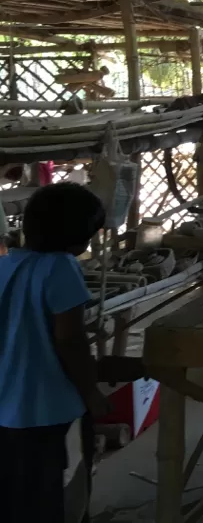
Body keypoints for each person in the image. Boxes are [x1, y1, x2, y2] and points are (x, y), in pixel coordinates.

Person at [0, 183, 109, 523]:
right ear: (77, 236)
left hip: (5, 407)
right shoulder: (61, 267)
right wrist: (91, 391)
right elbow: (70, 340)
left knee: (13, 495)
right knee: (53, 496)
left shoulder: (4, 266)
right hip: (45, 407)